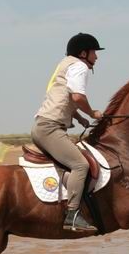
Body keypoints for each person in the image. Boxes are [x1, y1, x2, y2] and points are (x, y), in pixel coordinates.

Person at [31, 33, 104, 232]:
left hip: (43, 126)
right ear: (83, 53)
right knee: (81, 165)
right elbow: (78, 96)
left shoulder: (64, 64)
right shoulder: (80, 66)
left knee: (68, 167)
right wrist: (93, 112)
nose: (96, 57)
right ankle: (72, 215)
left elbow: (64, 97)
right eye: (94, 53)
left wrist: (79, 118)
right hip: (51, 128)